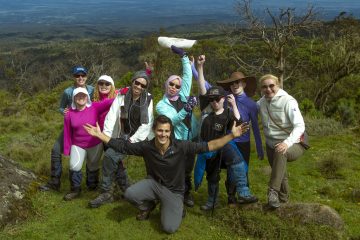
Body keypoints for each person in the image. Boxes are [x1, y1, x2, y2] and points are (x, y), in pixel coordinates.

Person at [84, 115, 250, 234]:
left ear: (170, 132)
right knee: (130, 194)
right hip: (153, 185)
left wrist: (231, 135)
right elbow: (123, 147)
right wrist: (100, 135)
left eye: (166, 131)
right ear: (154, 130)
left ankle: (175, 208)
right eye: (159, 131)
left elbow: (210, 146)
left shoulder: (181, 146)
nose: (163, 134)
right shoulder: (146, 147)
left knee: (169, 228)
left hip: (174, 192)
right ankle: (149, 205)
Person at [195, 55, 258, 210]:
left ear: (223, 98)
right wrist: (200, 67)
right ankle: (212, 200)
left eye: (218, 98)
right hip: (208, 147)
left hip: (225, 146)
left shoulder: (229, 112)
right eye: (212, 99)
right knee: (212, 175)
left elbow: (239, 121)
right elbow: (203, 88)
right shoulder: (206, 110)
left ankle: (243, 191)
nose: (215, 102)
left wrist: (234, 104)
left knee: (237, 161)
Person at [88, 70, 154, 208]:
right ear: (133, 81)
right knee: (113, 158)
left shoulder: (148, 99)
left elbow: (146, 124)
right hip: (121, 136)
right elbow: (112, 116)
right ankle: (125, 189)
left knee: (110, 157)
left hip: (138, 139)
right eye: (137, 83)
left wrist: (131, 141)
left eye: (143, 85)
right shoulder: (122, 95)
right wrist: (106, 137)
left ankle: (107, 192)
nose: (139, 87)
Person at [39, 66, 94, 192]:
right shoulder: (68, 92)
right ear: (73, 77)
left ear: (86, 76)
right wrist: (64, 112)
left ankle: (92, 183)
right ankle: (55, 182)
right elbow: (61, 107)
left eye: (83, 75)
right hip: (72, 128)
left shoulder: (91, 90)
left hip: (88, 127)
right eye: (77, 76)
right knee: (56, 150)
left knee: (92, 154)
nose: (80, 78)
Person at [156, 45, 198, 207]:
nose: (174, 87)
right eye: (171, 84)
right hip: (176, 140)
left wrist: (183, 56)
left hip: (192, 137)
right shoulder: (161, 105)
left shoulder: (183, 94)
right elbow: (170, 121)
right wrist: (186, 109)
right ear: (167, 85)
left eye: (177, 85)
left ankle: (186, 194)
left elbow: (187, 75)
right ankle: (172, 194)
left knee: (188, 168)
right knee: (175, 168)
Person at [257, 74, 306, 208]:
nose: (268, 89)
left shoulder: (288, 101)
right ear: (261, 89)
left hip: (294, 143)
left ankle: (272, 191)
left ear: (278, 85)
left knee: (281, 152)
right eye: (264, 87)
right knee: (280, 173)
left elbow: (300, 125)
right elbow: (249, 110)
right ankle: (283, 202)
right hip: (270, 144)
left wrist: (286, 143)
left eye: (271, 85)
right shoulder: (261, 102)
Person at [63, 87, 114, 200]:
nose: (81, 98)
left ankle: (92, 186)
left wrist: (122, 92)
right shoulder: (69, 113)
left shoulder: (94, 107)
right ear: (74, 98)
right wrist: (67, 149)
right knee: (74, 166)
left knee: (93, 165)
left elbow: (109, 102)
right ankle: (75, 189)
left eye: (83, 95)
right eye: (78, 96)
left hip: (95, 143)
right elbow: (67, 132)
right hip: (78, 144)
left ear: (87, 97)